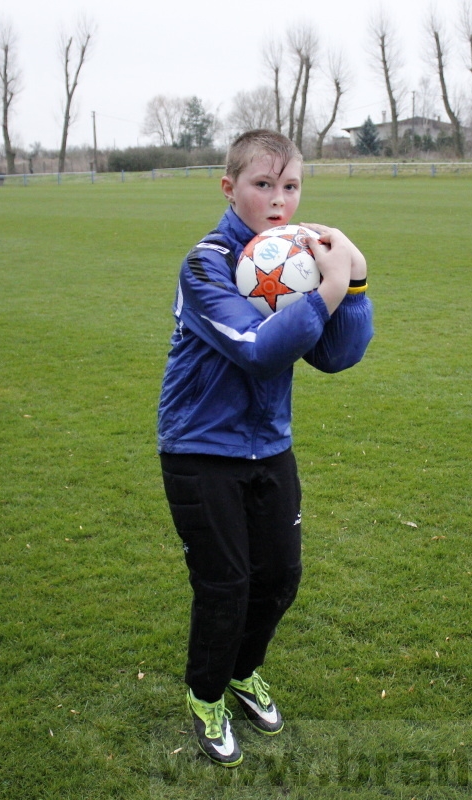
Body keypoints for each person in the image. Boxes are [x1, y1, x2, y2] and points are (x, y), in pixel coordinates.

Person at [157, 129, 373, 767]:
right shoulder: (206, 264)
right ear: (230, 188)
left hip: (267, 445)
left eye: (290, 186)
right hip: (200, 448)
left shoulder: (292, 253)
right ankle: (205, 696)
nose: (279, 201)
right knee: (226, 583)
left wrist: (353, 283)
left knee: (279, 578)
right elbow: (258, 352)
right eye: (262, 185)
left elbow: (333, 356)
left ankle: (244, 672)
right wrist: (327, 291)